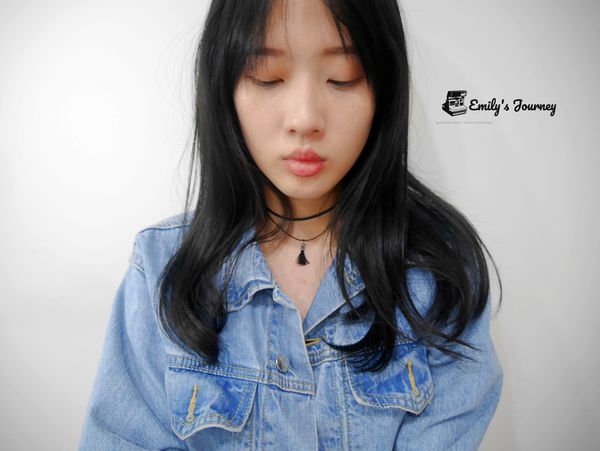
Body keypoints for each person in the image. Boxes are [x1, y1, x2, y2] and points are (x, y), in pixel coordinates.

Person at [78, 0, 504, 449]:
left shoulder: (437, 276)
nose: (305, 119)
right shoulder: (162, 268)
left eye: (343, 77)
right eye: (267, 77)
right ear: (224, 86)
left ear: (384, 88)